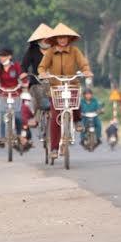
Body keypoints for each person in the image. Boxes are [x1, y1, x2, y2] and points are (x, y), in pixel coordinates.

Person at [37, 23, 93, 161]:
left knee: (75, 99)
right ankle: (55, 148)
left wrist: (86, 70)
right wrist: (43, 73)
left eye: (65, 37)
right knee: (55, 117)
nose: (62, 40)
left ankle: (78, 120)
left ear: (69, 38)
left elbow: (83, 63)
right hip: (56, 88)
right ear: (56, 39)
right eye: (60, 38)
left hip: (71, 83)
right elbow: (42, 66)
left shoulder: (75, 51)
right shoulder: (50, 52)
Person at [19, 23, 54, 145]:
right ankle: (37, 116)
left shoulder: (55, 50)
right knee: (39, 95)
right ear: (38, 40)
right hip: (36, 82)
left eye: (47, 38)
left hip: (53, 81)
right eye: (42, 38)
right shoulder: (32, 51)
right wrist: (23, 73)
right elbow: (23, 65)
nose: (45, 40)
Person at [0, 48, 26, 147]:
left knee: (18, 115)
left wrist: (25, 82)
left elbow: (22, 76)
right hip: (4, 93)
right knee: (3, 116)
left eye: (4, 56)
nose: (1, 58)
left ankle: (18, 135)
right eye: (0, 56)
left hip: (16, 93)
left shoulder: (16, 66)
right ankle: (2, 137)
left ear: (10, 56)